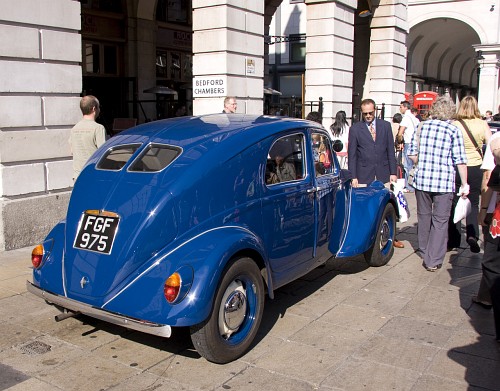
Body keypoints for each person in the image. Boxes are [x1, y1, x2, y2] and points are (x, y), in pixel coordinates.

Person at [407, 95, 469, 271]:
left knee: (423, 216)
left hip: (422, 180)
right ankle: (433, 260)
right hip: (443, 182)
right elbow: (460, 160)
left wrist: (423, 162)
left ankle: (425, 249)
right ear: (450, 111)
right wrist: (464, 183)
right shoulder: (453, 130)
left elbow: (411, 154)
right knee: (440, 221)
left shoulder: (422, 127)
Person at [348, 98, 404, 248]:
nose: (368, 116)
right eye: (365, 113)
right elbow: (352, 154)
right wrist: (353, 176)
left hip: (383, 173)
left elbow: (390, 151)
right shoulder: (355, 129)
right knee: (365, 207)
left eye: (370, 113)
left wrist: (393, 172)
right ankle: (365, 238)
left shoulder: (385, 126)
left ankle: (390, 235)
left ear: (376, 111)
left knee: (387, 205)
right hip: (363, 174)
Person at [448, 95, 491, 252]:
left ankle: (453, 239)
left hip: (457, 167)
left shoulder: (455, 124)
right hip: (476, 167)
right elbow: (491, 145)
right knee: (473, 202)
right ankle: (472, 235)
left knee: (455, 202)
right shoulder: (482, 124)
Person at [473, 135, 500, 311]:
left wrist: (483, 210)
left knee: (492, 261)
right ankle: (486, 295)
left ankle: (488, 296)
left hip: (496, 212)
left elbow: (488, 179)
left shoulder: (496, 140)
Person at [70, 95, 108, 181]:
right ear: (94, 108)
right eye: (99, 107)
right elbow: (104, 154)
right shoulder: (98, 128)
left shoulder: (74, 128)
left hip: (78, 175)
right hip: (93, 175)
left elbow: (72, 151)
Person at [396, 100, 420, 193]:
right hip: (415, 143)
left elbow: (400, 132)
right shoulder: (414, 118)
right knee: (413, 165)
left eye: (401, 107)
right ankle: (412, 185)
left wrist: (399, 140)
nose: (400, 108)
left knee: (407, 166)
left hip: (408, 143)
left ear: (406, 107)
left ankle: (409, 186)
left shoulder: (406, 118)